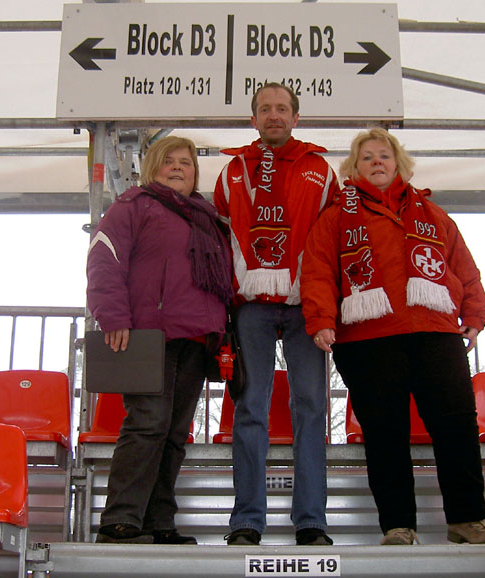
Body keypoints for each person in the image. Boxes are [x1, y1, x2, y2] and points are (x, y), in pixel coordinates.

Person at [300, 128, 485, 546]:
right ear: (354, 168)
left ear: (399, 165)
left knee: (457, 427)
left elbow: (463, 267)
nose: (377, 162)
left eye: (384, 156)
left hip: (435, 333)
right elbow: (318, 270)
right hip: (367, 340)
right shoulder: (336, 217)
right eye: (367, 157)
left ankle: (467, 519)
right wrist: (320, 318)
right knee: (384, 433)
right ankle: (397, 525)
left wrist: (475, 314)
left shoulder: (433, 213)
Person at [87, 136, 232, 545]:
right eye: (168, 161)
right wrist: (113, 316)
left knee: (174, 433)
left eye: (185, 162)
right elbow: (103, 258)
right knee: (148, 424)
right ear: (152, 167)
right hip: (148, 334)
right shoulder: (133, 205)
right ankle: (120, 521)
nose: (177, 167)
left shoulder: (209, 217)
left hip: (198, 338)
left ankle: (158, 522)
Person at [213, 82, 340, 546]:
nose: (273, 115)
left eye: (282, 108)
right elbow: (220, 242)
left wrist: (327, 306)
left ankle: (311, 522)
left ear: (295, 117)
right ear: (253, 119)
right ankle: (247, 520)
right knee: (250, 410)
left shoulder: (320, 170)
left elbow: (333, 241)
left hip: (306, 305)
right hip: (252, 308)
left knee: (310, 408)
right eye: (264, 109)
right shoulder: (232, 171)